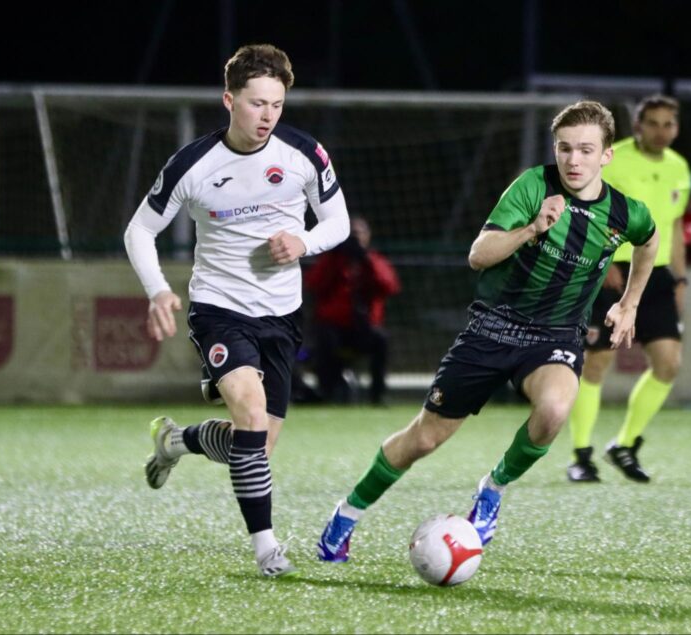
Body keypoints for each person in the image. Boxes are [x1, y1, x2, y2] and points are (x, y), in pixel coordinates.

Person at [316, 101, 658, 562]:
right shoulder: (532, 186)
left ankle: (492, 489)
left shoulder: (623, 211)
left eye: (585, 150)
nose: (573, 160)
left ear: (606, 156)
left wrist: (629, 302)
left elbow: (649, 238)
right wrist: (533, 228)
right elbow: (479, 254)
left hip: (555, 335)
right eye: (564, 149)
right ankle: (348, 513)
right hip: (493, 328)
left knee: (555, 409)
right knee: (425, 438)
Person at [123, 44, 350, 577]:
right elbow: (139, 230)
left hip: (282, 315)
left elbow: (337, 221)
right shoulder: (193, 164)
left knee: (257, 445)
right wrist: (158, 290)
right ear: (229, 100)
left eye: (276, 103)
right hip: (219, 310)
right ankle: (267, 547)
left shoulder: (304, 153)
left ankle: (177, 440)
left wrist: (304, 242)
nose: (268, 115)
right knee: (248, 416)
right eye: (256, 103)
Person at [565, 95, 690, 484]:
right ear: (637, 126)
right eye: (652, 123)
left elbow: (677, 227)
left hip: (657, 275)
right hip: (613, 270)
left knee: (668, 364)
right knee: (598, 362)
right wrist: (600, 268)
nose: (660, 130)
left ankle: (625, 444)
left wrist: (681, 279)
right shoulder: (612, 159)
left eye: (668, 123)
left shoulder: (679, 167)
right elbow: (584, 213)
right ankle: (581, 455)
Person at [304, 215, 401, 404]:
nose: (355, 238)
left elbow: (390, 286)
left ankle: (378, 395)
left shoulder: (374, 260)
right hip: (334, 328)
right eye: (351, 234)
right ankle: (327, 393)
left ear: (368, 236)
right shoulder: (332, 260)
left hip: (364, 329)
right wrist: (335, 258)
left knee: (381, 340)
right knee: (324, 338)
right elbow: (313, 285)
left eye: (359, 234)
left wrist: (366, 261)